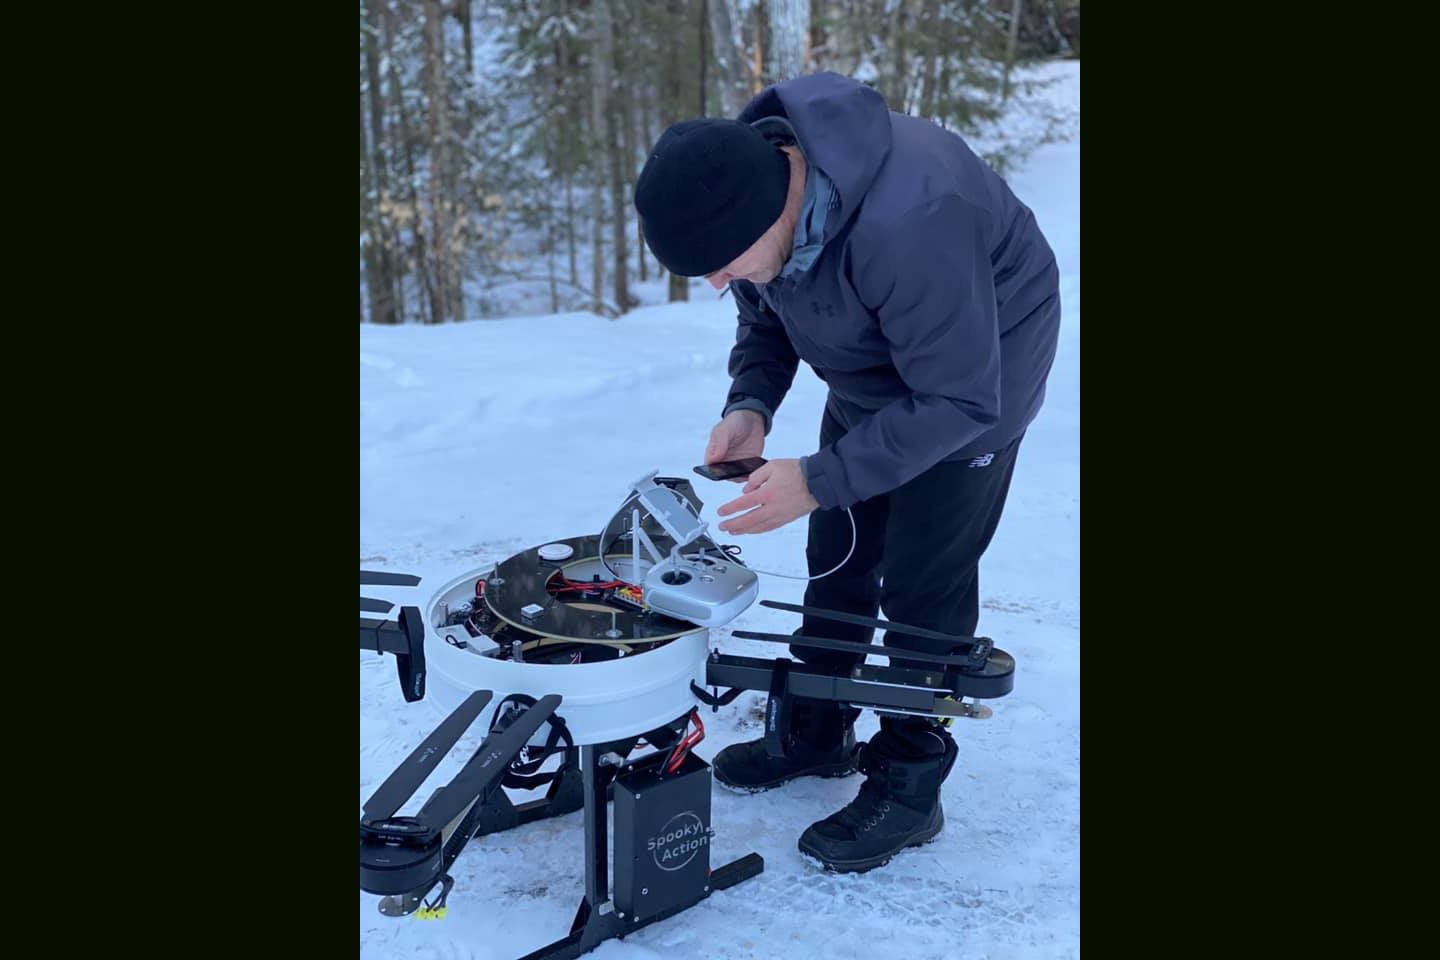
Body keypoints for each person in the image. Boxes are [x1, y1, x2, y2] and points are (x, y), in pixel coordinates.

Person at [632, 72, 1061, 874]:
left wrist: (818, 476)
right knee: (839, 553)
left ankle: (909, 774)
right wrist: (751, 403)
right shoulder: (754, 190)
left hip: (978, 380)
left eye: (723, 264)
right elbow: (765, 308)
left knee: (921, 580)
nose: (720, 282)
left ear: (772, 212)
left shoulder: (914, 219)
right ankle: (819, 727)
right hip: (874, 363)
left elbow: (959, 398)